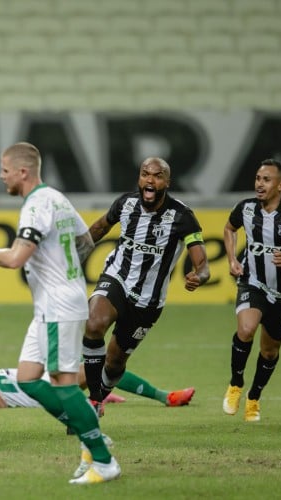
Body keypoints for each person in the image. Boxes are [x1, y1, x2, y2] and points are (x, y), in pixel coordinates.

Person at [0, 142, 119, 485]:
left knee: (62, 381)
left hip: (57, 304)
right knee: (27, 378)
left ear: (23, 172)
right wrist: (64, 266)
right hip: (54, 301)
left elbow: (15, 259)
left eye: (5, 170)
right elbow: (85, 241)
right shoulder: (57, 197)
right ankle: (91, 433)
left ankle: (103, 458)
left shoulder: (36, 205)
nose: (1, 176)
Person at [80, 157, 210, 437]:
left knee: (115, 362)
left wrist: (198, 275)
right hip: (117, 279)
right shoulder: (125, 204)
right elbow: (100, 228)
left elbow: (203, 263)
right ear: (139, 178)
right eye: (145, 174)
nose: (150, 180)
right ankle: (93, 400)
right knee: (94, 322)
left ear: (167, 182)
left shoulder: (182, 216)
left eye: (157, 176)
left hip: (148, 302)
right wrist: (71, 257)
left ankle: (99, 394)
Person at [222, 159, 281, 422]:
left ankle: (254, 397)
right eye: (257, 178)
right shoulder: (245, 208)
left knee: (269, 351)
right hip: (252, 282)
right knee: (245, 329)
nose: (259, 184)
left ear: (280, 185)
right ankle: (235, 384)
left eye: (266, 179)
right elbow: (229, 229)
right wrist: (232, 259)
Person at [0, 365, 195, 410]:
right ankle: (166, 397)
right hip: (43, 389)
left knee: (99, 365)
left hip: (42, 377)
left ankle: (99, 394)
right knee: (106, 364)